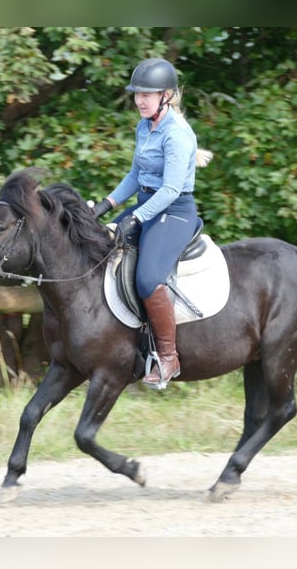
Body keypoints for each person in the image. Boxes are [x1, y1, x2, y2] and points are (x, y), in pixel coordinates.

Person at [93, 57, 210, 389]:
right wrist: (107, 205)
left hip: (174, 212)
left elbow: (171, 189)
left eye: (147, 94)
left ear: (166, 96)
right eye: (137, 94)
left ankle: (168, 357)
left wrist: (135, 217)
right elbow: (135, 175)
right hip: (146, 205)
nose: (140, 100)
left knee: (147, 280)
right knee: (98, 247)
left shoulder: (178, 134)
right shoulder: (144, 126)